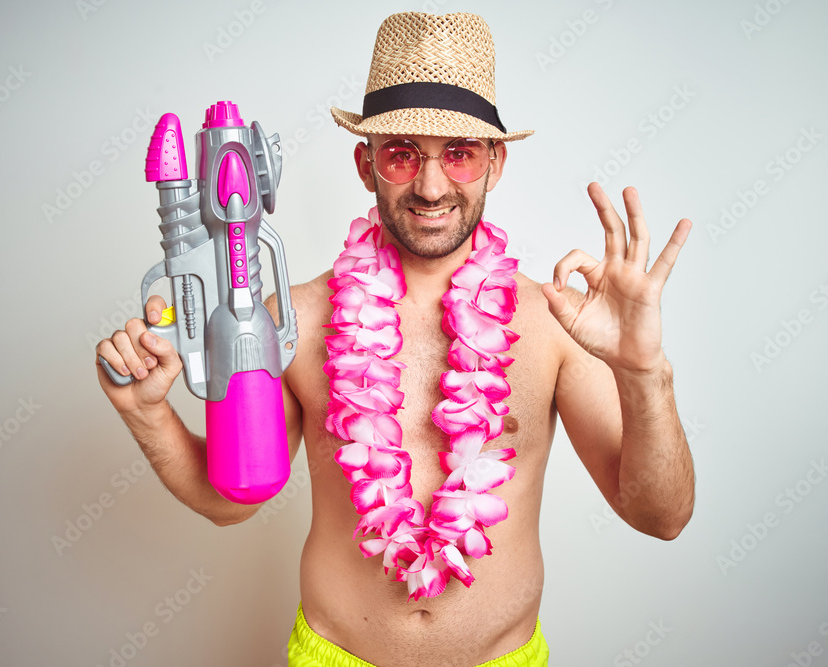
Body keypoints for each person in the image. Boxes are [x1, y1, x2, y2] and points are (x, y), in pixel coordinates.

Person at [96, 11, 694, 667]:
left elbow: (660, 517)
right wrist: (145, 410)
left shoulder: (555, 321)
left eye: (459, 154)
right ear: (366, 163)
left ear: (495, 163)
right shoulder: (292, 318)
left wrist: (644, 371)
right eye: (402, 153)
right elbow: (230, 502)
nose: (431, 186)